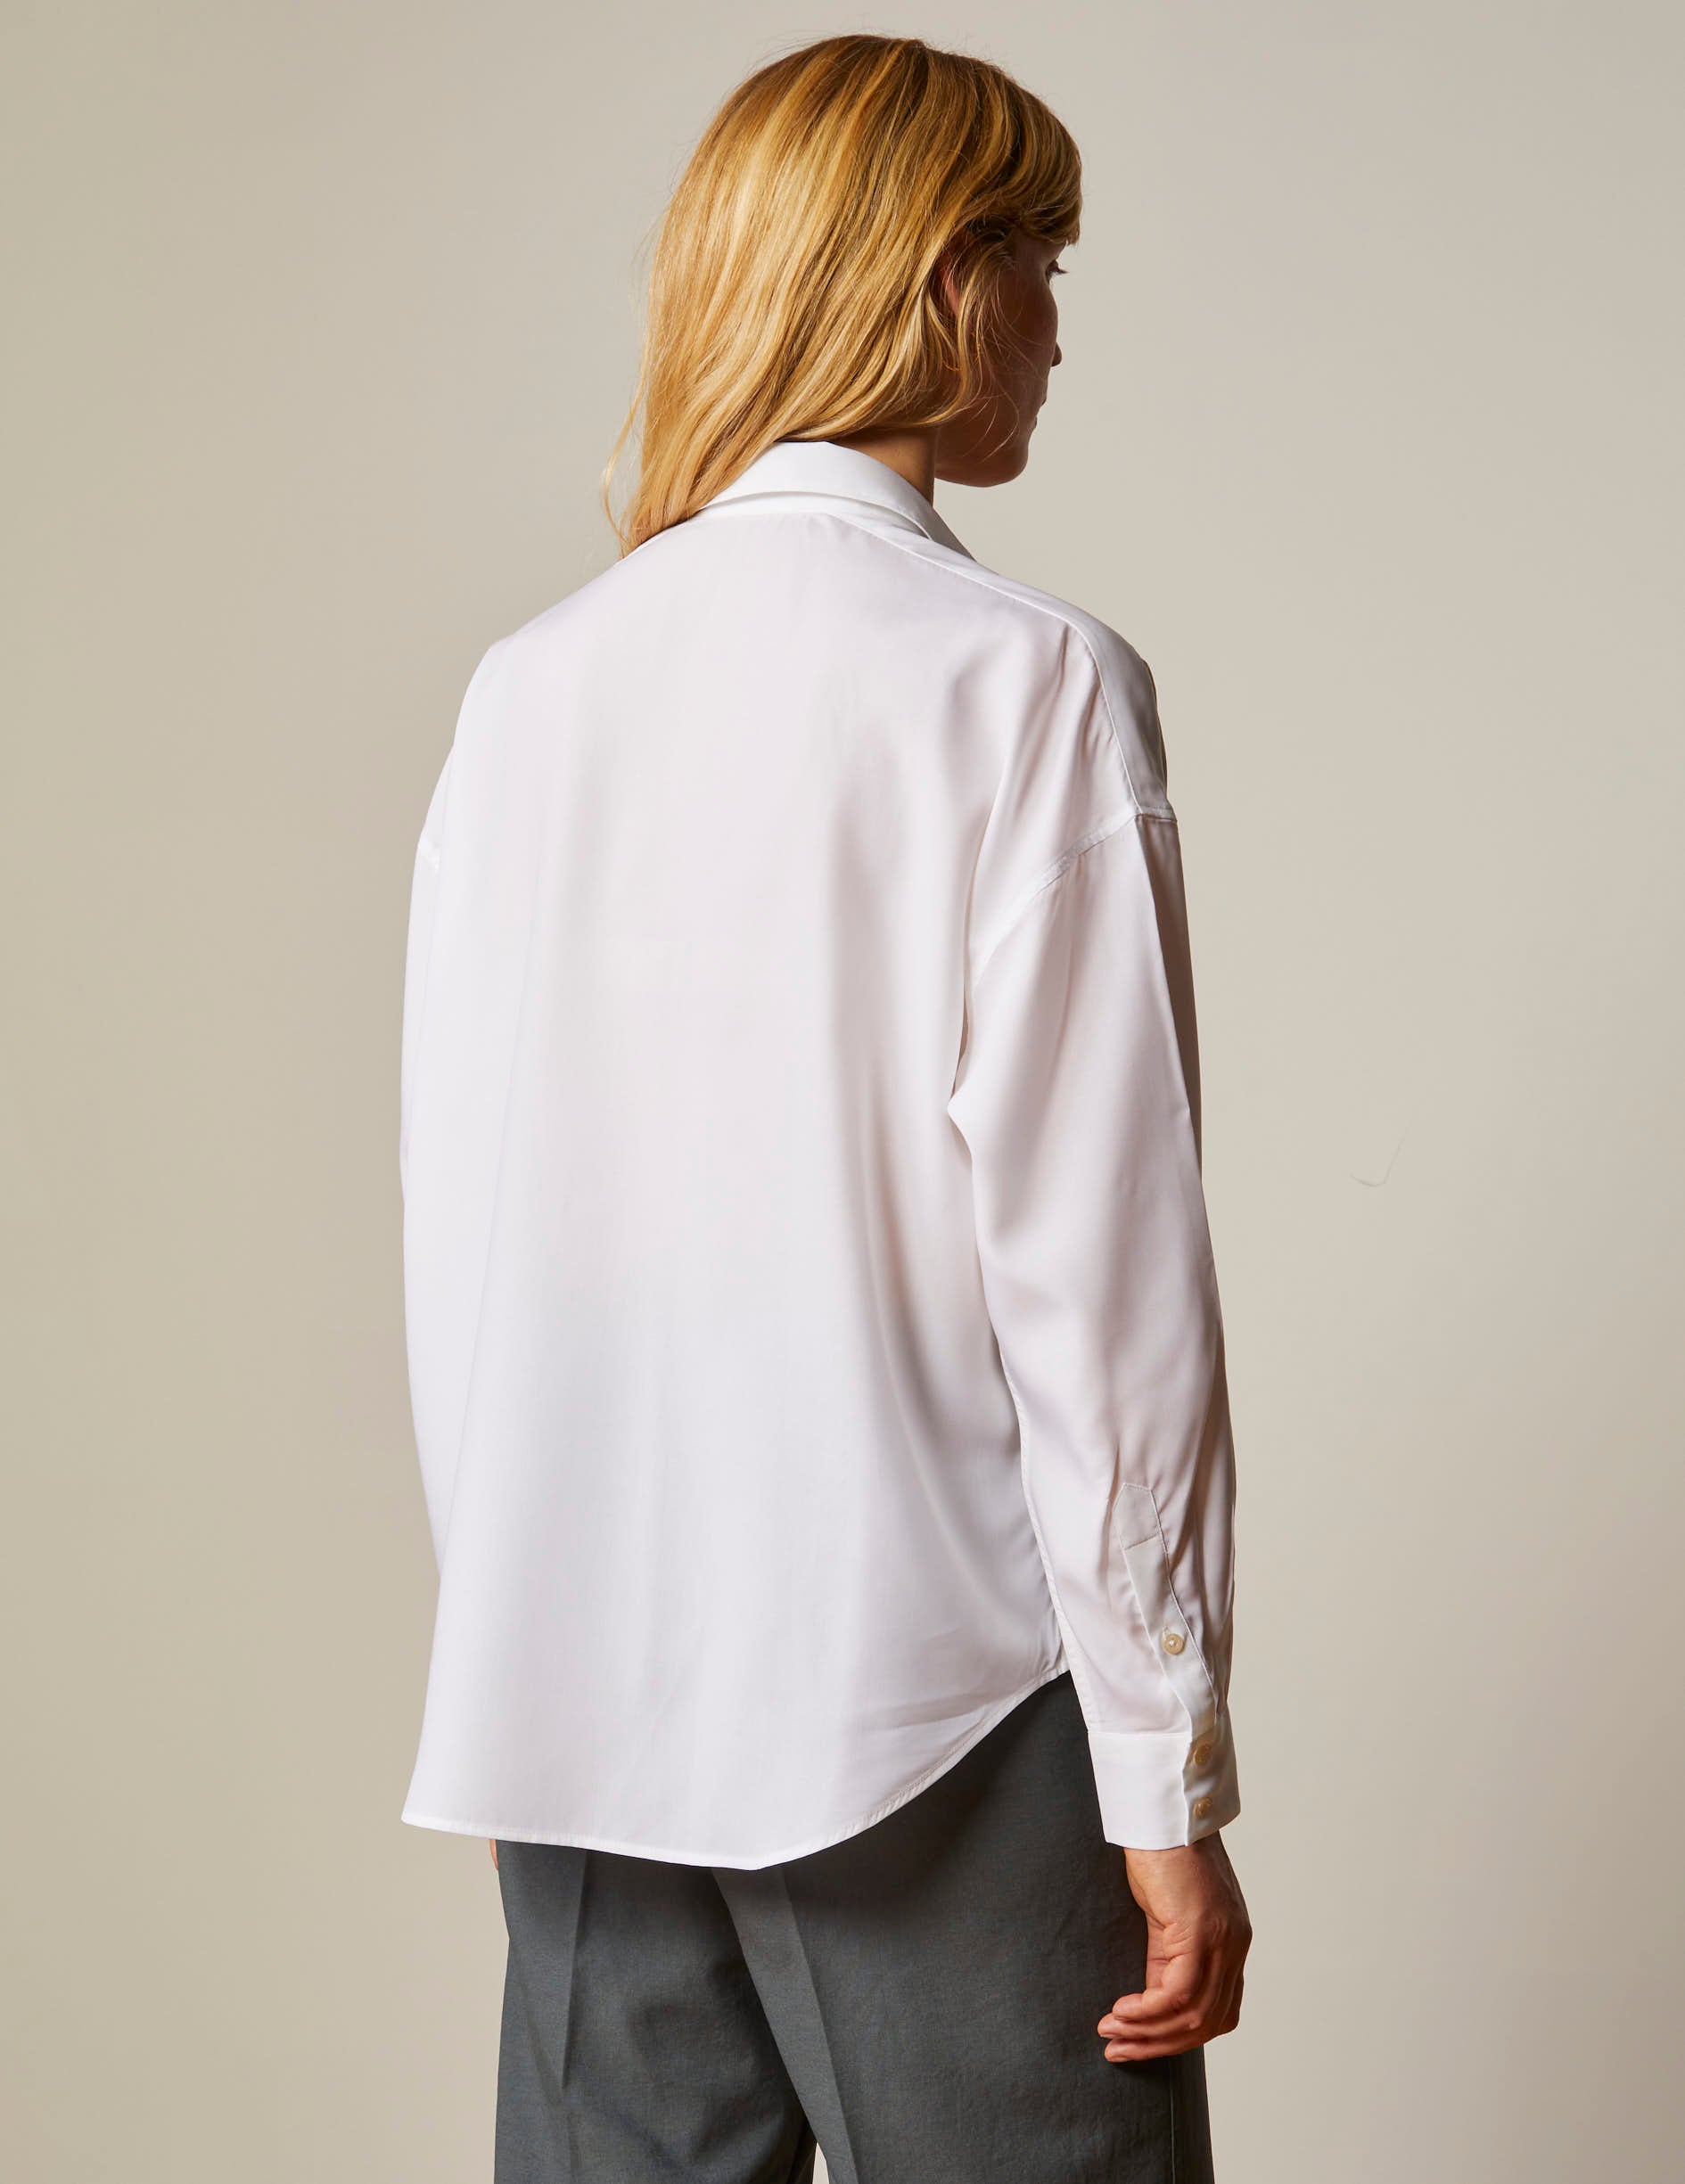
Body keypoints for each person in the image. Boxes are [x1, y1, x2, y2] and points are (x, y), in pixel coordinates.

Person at [399, 31, 1252, 2183]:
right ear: (940, 280)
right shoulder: (1027, 682)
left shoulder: (530, 691)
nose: (1057, 328)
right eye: (1040, 264)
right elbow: (1101, 1282)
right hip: (933, 1693)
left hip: (584, 1703)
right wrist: (1166, 1772)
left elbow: (468, 1237)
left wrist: (512, 1641)